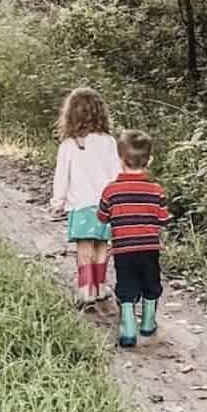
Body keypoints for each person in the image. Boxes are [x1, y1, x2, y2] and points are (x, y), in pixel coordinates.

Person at [97, 130, 170, 348]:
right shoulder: (156, 190)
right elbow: (163, 219)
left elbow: (102, 216)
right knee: (151, 282)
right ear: (150, 160)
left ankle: (128, 328)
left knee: (127, 285)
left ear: (119, 159)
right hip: (149, 248)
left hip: (123, 249)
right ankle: (148, 322)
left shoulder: (111, 190)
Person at [50, 88, 121, 306]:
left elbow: (62, 176)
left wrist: (57, 201)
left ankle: (85, 289)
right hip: (106, 206)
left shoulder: (69, 145)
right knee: (101, 246)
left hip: (80, 205)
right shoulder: (109, 141)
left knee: (84, 248)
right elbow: (116, 173)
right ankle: (100, 287)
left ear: (70, 115)